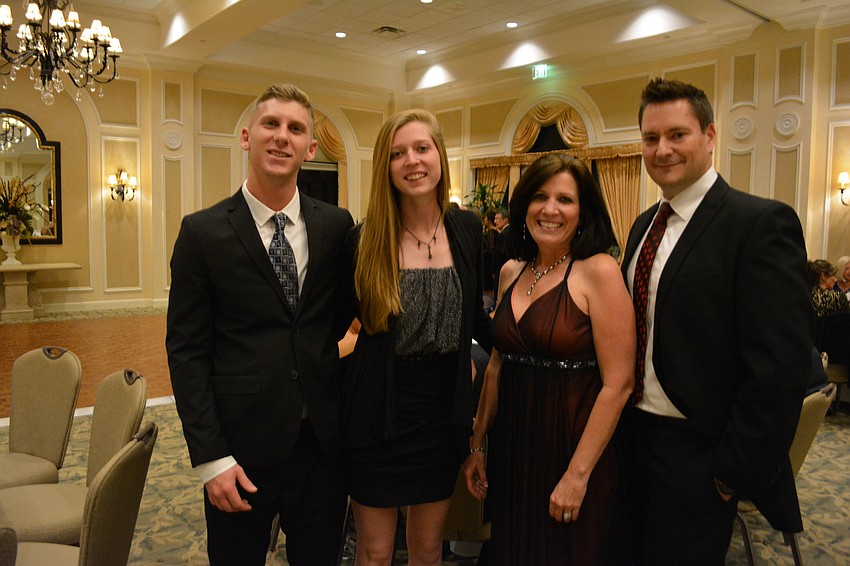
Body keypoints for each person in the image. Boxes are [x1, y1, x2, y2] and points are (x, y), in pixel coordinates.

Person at [622, 78, 811, 565]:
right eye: (650, 138)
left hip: (699, 455)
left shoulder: (758, 224)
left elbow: (778, 369)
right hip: (631, 441)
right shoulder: (644, 225)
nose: (662, 150)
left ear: (709, 136)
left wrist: (730, 475)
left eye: (677, 135)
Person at [166, 83, 354, 566]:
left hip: (321, 451)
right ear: (247, 137)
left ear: (311, 148)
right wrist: (212, 459)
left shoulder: (336, 227)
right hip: (239, 453)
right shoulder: (201, 232)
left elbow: (338, 323)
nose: (281, 137)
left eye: (295, 129)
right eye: (271, 124)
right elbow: (187, 353)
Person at [462, 154, 636, 565]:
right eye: (540, 196)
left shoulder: (599, 271)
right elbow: (497, 369)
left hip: (574, 450)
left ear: (584, 211)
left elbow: (619, 384)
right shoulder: (510, 271)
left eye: (565, 199)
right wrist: (478, 446)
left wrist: (577, 476)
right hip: (514, 451)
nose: (551, 209)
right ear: (523, 207)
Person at [340, 109, 492, 566]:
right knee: (374, 551)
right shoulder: (364, 240)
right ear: (385, 169)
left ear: (440, 156)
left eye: (422, 148)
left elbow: (479, 321)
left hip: (441, 420)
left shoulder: (466, 229)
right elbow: (329, 325)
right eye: (397, 153)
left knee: (428, 549)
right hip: (376, 418)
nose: (412, 161)